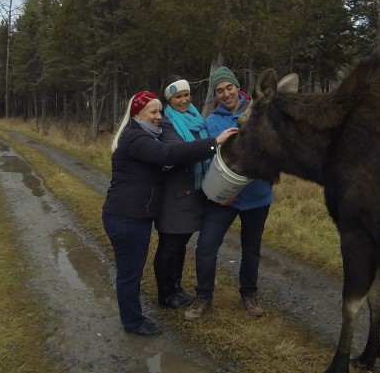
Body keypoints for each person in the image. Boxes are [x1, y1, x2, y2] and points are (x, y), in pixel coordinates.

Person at [102, 90, 237, 336]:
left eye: (160, 111)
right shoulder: (134, 137)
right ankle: (133, 322)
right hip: (125, 217)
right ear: (137, 113)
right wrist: (214, 142)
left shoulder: (147, 136)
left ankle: (136, 315)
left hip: (135, 217)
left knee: (132, 270)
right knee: (129, 273)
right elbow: (169, 154)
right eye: (153, 112)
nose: (158, 117)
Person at [185, 66, 274, 321]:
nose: (226, 94)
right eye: (220, 90)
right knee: (206, 246)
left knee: (251, 247)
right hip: (222, 200)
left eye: (229, 88)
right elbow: (206, 161)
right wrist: (221, 191)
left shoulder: (259, 113)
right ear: (216, 96)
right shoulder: (210, 123)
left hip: (257, 197)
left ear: (238, 88)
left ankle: (249, 293)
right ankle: (203, 295)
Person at [154, 76, 210, 309]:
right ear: (169, 99)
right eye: (178, 96)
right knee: (169, 244)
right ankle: (165, 294)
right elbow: (179, 151)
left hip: (193, 192)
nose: (184, 100)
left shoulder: (195, 118)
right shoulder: (165, 123)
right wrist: (213, 145)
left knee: (180, 243)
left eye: (186, 95)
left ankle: (177, 288)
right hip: (173, 194)